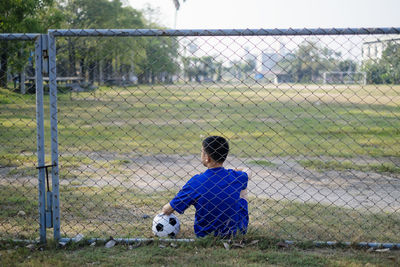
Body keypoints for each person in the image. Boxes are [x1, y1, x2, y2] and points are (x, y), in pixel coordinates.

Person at [162, 136, 249, 238]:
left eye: (202, 152)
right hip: (236, 232)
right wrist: (233, 171)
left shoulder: (196, 182)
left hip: (205, 235)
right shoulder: (234, 176)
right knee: (242, 185)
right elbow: (248, 171)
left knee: (241, 182)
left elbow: (167, 210)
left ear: (207, 157)